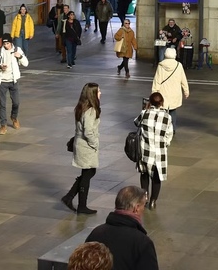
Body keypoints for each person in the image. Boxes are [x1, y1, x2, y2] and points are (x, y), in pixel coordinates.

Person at [85, 186, 159, 270]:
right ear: (136, 208)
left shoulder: (96, 233)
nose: (143, 210)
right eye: (143, 206)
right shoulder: (142, 242)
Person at [61, 82, 101, 215]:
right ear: (92, 94)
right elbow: (88, 131)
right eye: (98, 91)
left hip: (80, 144)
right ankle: (80, 204)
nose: (100, 93)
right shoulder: (91, 110)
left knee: (88, 173)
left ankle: (70, 197)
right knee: (88, 173)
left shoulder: (81, 107)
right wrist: (95, 144)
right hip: (86, 146)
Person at [135, 92, 173, 210]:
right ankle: (153, 201)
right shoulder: (167, 117)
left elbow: (136, 122)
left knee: (144, 175)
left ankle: (145, 198)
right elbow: (169, 134)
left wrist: (145, 109)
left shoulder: (144, 113)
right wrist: (165, 143)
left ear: (150, 102)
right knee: (156, 178)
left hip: (145, 150)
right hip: (159, 152)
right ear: (161, 103)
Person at [0, 33, 28, 135]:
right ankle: (3, 125)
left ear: (11, 42)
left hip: (13, 80)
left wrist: (20, 56)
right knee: (2, 104)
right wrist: (0, 67)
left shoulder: (17, 50)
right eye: (4, 44)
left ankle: (14, 117)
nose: (6, 45)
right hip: (2, 81)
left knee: (16, 102)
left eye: (7, 43)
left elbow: (26, 63)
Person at [151, 48, 189, 131]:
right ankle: (173, 128)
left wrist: (154, 92)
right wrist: (186, 91)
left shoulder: (161, 65)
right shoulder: (179, 65)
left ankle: (162, 128)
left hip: (163, 92)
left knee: (162, 111)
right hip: (175, 93)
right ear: (175, 55)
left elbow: (157, 80)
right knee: (172, 110)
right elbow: (183, 79)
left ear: (165, 54)